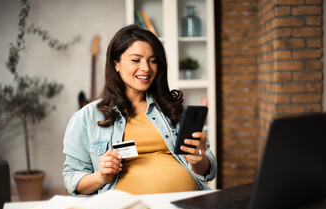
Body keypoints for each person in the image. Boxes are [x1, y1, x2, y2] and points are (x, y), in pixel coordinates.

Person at [63, 25, 217, 196]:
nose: (146, 68)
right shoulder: (86, 117)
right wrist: (102, 176)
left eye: (152, 60)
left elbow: (208, 169)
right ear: (116, 64)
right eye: (136, 60)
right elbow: (72, 178)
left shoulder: (172, 109)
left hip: (188, 203)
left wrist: (199, 160)